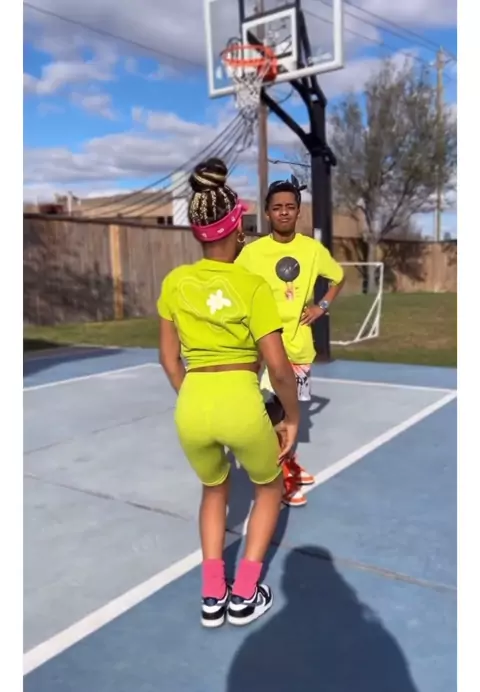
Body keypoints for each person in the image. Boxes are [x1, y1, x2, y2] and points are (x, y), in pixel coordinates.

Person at [157, 158, 300, 629]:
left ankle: (212, 593)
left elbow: (169, 360)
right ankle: (244, 594)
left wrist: (195, 396)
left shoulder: (175, 283)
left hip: (192, 405)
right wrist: (292, 418)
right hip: (241, 402)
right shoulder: (252, 285)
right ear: (238, 228)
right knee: (269, 487)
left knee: (214, 490)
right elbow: (278, 367)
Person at [235, 177, 345, 508]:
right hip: (266, 349)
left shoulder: (312, 250)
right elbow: (234, 287)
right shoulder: (252, 253)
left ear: (298, 212)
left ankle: (288, 462)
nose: (283, 212)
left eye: (290, 207)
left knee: (288, 412)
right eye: (277, 207)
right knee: (273, 415)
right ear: (267, 213)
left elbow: (338, 277)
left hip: (299, 348)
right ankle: (281, 476)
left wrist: (321, 306)